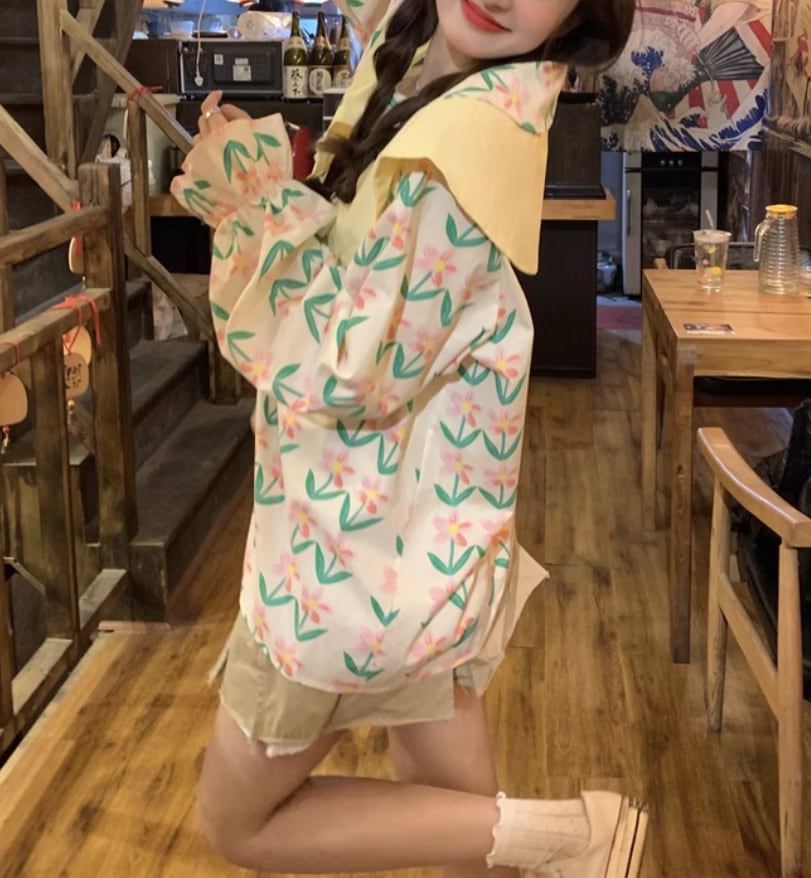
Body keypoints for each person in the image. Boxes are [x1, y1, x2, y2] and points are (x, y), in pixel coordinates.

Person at [170, 0, 642, 875]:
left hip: (340, 558)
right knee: (448, 808)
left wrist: (253, 198)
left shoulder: (463, 144)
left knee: (237, 822)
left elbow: (344, 369)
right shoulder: (431, 49)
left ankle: (573, 838)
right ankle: (563, 842)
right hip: (414, 543)